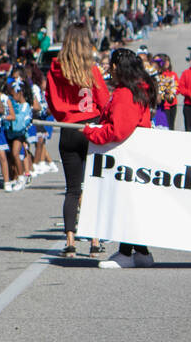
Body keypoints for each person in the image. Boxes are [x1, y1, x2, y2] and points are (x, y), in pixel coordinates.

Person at [84, 48, 155, 269]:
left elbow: (118, 130)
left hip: (125, 155)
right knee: (131, 203)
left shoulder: (126, 93)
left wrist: (90, 133)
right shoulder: (136, 88)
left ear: (116, 67)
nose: (108, 71)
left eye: (110, 67)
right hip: (134, 153)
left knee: (126, 203)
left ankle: (126, 253)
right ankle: (141, 252)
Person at [47, 22, 110, 259]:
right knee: (93, 186)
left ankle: (70, 242)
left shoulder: (56, 68)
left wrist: (64, 115)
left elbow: (51, 100)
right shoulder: (91, 69)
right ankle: (94, 241)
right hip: (91, 126)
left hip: (69, 127)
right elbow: (104, 100)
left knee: (72, 189)